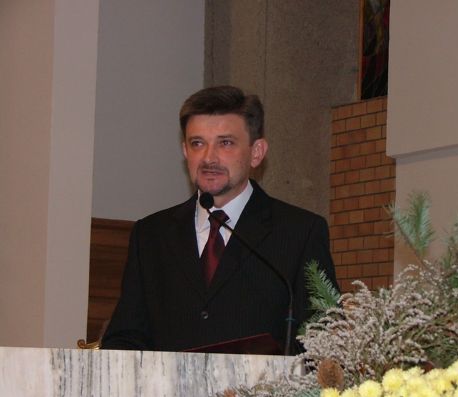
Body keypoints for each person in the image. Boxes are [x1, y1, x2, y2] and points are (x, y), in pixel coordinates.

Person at [100, 85, 337, 352]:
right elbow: (125, 337)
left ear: (256, 152)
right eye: (197, 143)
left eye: (225, 143)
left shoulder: (300, 232)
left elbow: (322, 341)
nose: (208, 158)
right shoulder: (151, 235)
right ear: (185, 151)